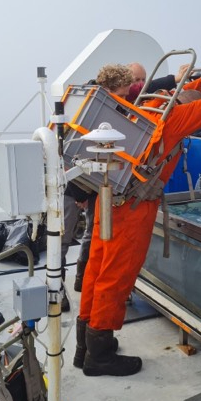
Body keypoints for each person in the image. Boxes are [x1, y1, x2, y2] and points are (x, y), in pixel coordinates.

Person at [77, 61, 201, 377]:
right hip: (132, 209)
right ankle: (100, 355)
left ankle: (86, 348)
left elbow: (186, 95)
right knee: (115, 277)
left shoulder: (145, 109)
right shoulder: (172, 118)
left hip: (108, 198)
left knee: (97, 270)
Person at [62, 64, 134, 315]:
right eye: (123, 94)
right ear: (108, 89)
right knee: (62, 237)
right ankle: (57, 289)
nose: (125, 100)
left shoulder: (106, 102)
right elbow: (72, 151)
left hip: (95, 184)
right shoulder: (89, 105)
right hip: (74, 186)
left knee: (93, 235)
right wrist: (81, 195)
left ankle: (83, 280)